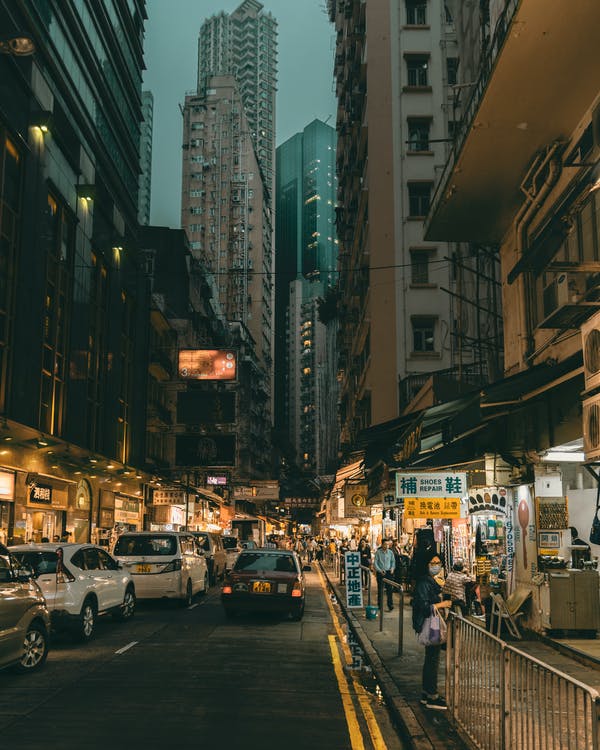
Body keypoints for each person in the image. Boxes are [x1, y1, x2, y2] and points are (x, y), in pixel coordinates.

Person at [412, 553, 452, 710]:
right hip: (431, 624)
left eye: (438, 562)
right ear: (425, 564)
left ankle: (426, 693)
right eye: (432, 562)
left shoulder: (431, 580)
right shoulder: (424, 582)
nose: (436, 565)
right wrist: (443, 604)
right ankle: (431, 696)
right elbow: (424, 607)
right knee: (433, 659)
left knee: (431, 658)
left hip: (433, 623)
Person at [373, 539, 396, 611]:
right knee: (380, 590)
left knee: (389, 590)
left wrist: (392, 568)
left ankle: (390, 605)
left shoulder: (390, 553)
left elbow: (393, 561)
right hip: (381, 573)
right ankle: (380, 605)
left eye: (388, 544)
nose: (387, 546)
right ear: (382, 544)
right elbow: (375, 563)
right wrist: (379, 570)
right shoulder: (378, 553)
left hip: (389, 573)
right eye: (385, 544)